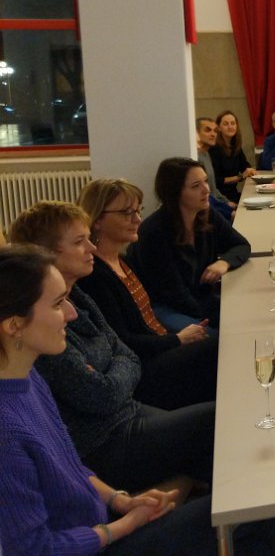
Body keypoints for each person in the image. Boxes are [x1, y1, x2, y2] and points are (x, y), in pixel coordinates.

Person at [0, 245, 220, 556]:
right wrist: (125, 525)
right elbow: (34, 548)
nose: (71, 314)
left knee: (236, 504)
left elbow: (72, 467)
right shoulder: (6, 431)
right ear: (14, 325)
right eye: (58, 304)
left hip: (102, 525)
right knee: (238, 518)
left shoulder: (29, 377)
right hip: (95, 544)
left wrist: (121, 500)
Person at [7, 204, 215, 494]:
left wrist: (108, 372)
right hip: (105, 440)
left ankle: (203, 496)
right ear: (47, 254)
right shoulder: (41, 330)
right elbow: (99, 394)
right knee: (216, 421)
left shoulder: (77, 295)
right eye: (79, 242)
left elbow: (126, 352)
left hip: (128, 410)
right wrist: (113, 369)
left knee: (211, 440)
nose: (91, 248)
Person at [76, 178, 218, 410]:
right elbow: (122, 341)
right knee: (219, 350)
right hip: (145, 368)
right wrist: (177, 339)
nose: (137, 220)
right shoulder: (95, 276)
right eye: (126, 213)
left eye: (137, 211)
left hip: (159, 349)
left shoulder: (122, 261)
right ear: (97, 220)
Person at [130, 157, 250, 330]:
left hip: (198, 300)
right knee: (220, 335)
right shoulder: (154, 232)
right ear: (175, 193)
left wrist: (224, 262)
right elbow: (174, 294)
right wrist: (222, 317)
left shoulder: (207, 215)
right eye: (196, 186)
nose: (206, 190)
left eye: (206, 182)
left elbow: (241, 245)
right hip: (166, 307)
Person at [210, 110, 255, 204]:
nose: (230, 127)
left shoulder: (235, 146)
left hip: (233, 194)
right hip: (220, 198)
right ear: (219, 128)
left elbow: (245, 165)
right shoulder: (214, 149)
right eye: (225, 124)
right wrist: (240, 177)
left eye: (233, 123)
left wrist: (251, 171)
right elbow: (216, 180)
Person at [194, 117, 235, 212]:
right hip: (207, 210)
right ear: (196, 133)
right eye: (207, 130)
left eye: (215, 131)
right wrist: (227, 210)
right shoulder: (196, 158)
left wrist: (227, 202)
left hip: (215, 205)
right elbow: (205, 197)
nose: (213, 134)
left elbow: (213, 189)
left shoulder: (206, 154)